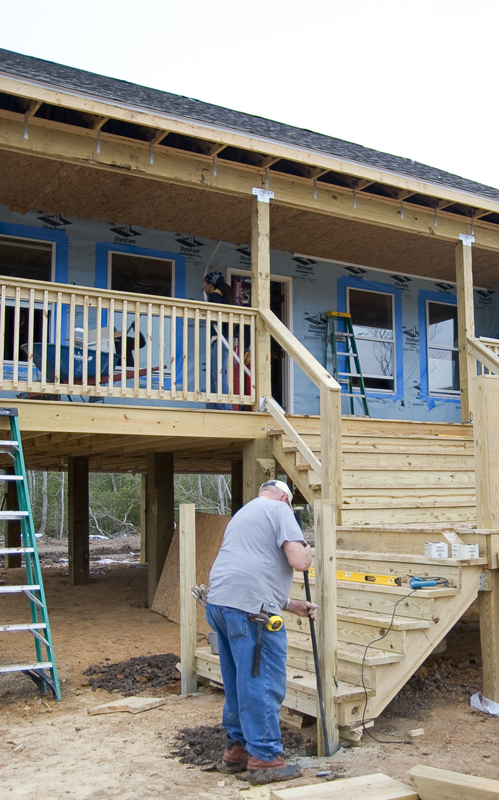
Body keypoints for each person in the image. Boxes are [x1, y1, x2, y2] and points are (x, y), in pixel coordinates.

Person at [205, 480, 316, 784]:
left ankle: (237, 749)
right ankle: (265, 758)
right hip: (252, 611)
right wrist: (307, 549)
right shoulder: (280, 510)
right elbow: (298, 560)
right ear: (284, 497)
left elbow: (252, 566)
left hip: (221, 604)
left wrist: (289, 604)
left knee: (237, 679)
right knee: (262, 678)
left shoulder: (244, 513)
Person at [203, 271, 233, 410]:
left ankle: (225, 408)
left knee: (218, 374)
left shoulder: (215, 295)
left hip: (222, 338)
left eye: (204, 284)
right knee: (216, 373)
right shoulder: (224, 295)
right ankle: (215, 406)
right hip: (225, 338)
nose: (203, 287)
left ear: (210, 285)